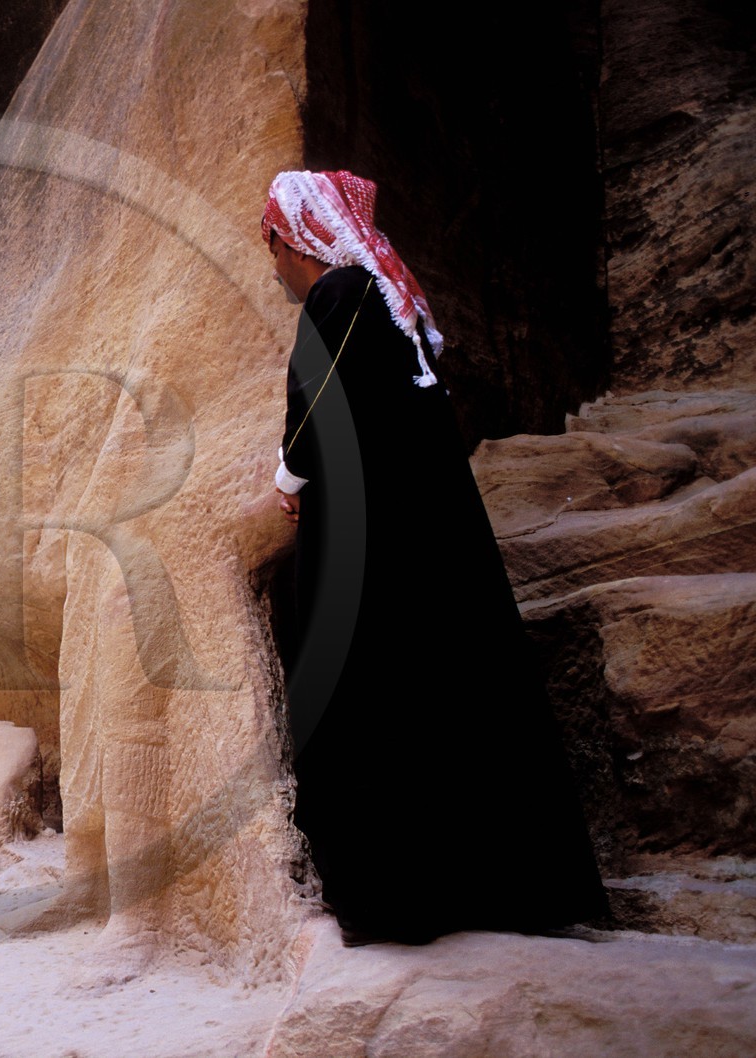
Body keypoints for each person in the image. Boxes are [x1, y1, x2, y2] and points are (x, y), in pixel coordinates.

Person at [261, 170, 609, 945]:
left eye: (271, 245)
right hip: (421, 536)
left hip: (372, 539)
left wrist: (288, 476)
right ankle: (488, 888)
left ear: (291, 239)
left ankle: (395, 900)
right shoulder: (387, 300)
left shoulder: (342, 295)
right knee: (449, 695)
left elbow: (316, 403)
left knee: (368, 697)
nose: (272, 265)